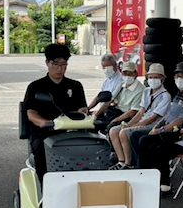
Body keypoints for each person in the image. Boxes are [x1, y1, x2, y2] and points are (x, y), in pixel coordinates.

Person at [24, 43, 87, 181]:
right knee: (40, 147)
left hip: (72, 130)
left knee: (90, 145)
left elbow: (82, 108)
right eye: (56, 64)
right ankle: (44, 185)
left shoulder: (75, 86)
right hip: (46, 132)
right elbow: (31, 113)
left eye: (63, 64)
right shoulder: (35, 87)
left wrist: (81, 116)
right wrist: (46, 123)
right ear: (47, 63)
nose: (60, 68)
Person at [130, 62, 183, 167]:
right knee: (135, 135)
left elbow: (180, 120)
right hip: (166, 127)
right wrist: (157, 126)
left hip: (176, 132)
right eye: (177, 76)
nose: (179, 79)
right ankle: (141, 166)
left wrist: (161, 130)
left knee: (145, 140)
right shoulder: (179, 93)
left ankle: (146, 169)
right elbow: (168, 115)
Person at [108, 63, 171, 169]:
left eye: (156, 77)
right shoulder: (147, 91)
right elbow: (141, 112)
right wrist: (129, 124)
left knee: (124, 132)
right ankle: (121, 160)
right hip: (142, 121)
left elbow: (153, 117)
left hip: (153, 125)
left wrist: (135, 125)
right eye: (150, 77)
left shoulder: (165, 96)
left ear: (162, 79)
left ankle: (128, 163)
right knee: (113, 131)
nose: (153, 80)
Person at [95, 61, 144, 127]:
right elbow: (110, 100)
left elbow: (133, 111)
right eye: (125, 74)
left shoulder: (140, 90)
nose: (127, 76)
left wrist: (117, 119)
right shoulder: (122, 84)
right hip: (115, 112)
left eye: (130, 74)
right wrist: (96, 115)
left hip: (126, 116)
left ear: (136, 74)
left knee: (110, 126)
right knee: (96, 123)